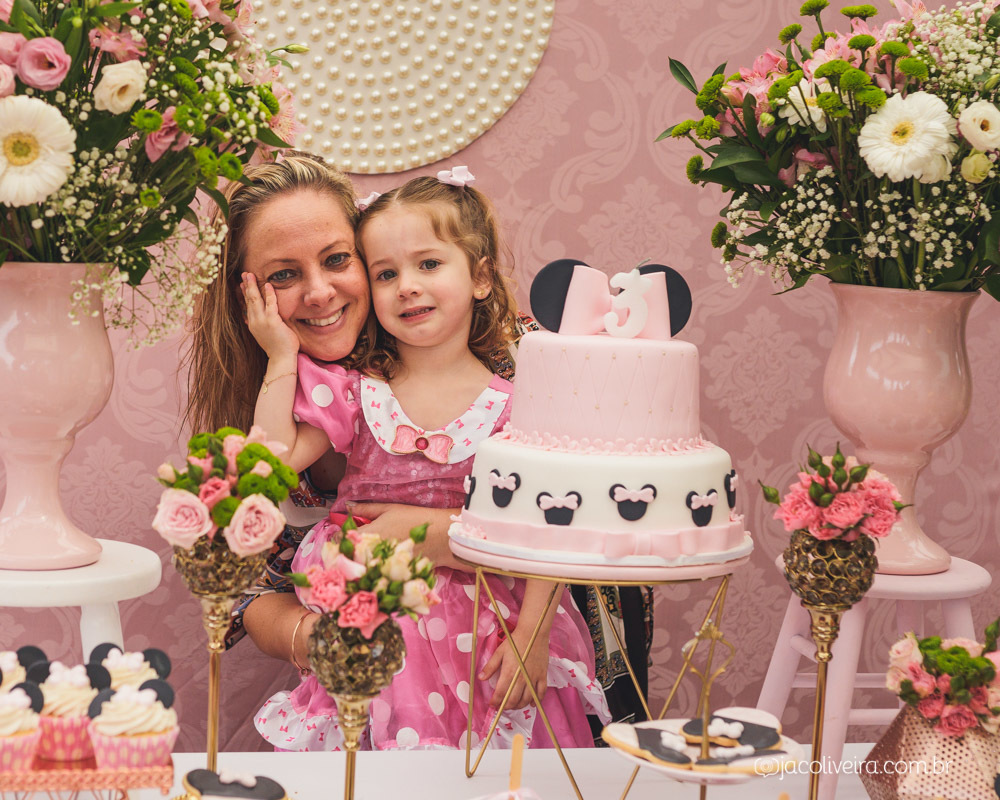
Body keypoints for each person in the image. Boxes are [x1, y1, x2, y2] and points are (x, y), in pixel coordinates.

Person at [184, 152, 650, 745]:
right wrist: (279, 357)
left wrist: (428, 533)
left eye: (336, 260)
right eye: (283, 275)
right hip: (381, 647)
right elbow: (252, 522)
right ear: (246, 295)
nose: (321, 292)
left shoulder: (527, 370)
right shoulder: (340, 393)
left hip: (497, 634)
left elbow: (571, 516)